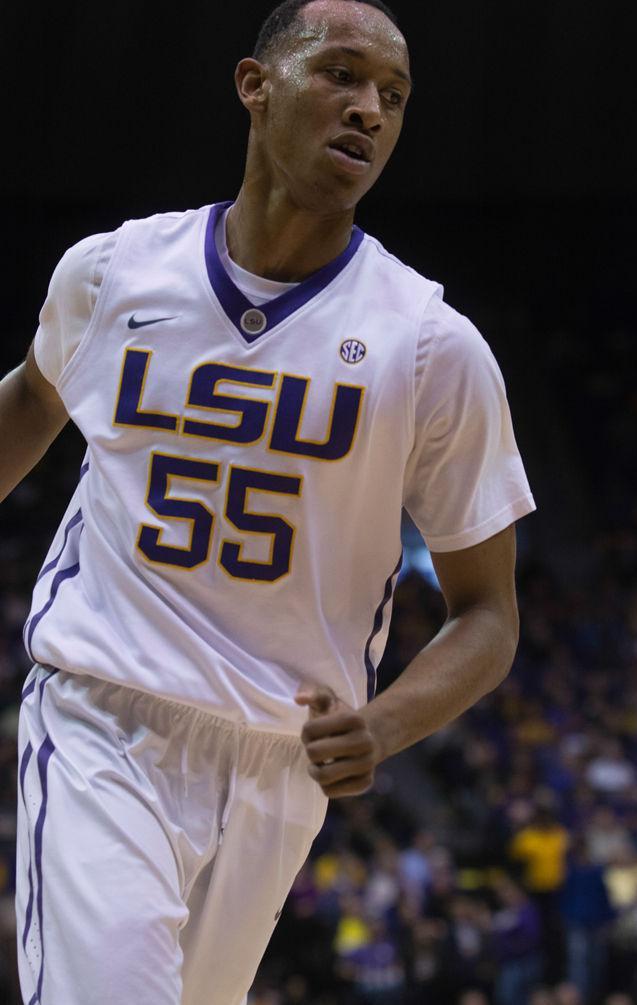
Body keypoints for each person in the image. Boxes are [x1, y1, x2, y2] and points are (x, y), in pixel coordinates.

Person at [1, 0, 536, 1002]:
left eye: (394, 96)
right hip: (103, 717)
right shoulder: (114, 271)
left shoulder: (430, 346)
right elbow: (34, 400)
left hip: (279, 766)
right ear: (256, 86)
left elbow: (489, 615)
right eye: (340, 74)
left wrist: (384, 725)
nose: (369, 110)